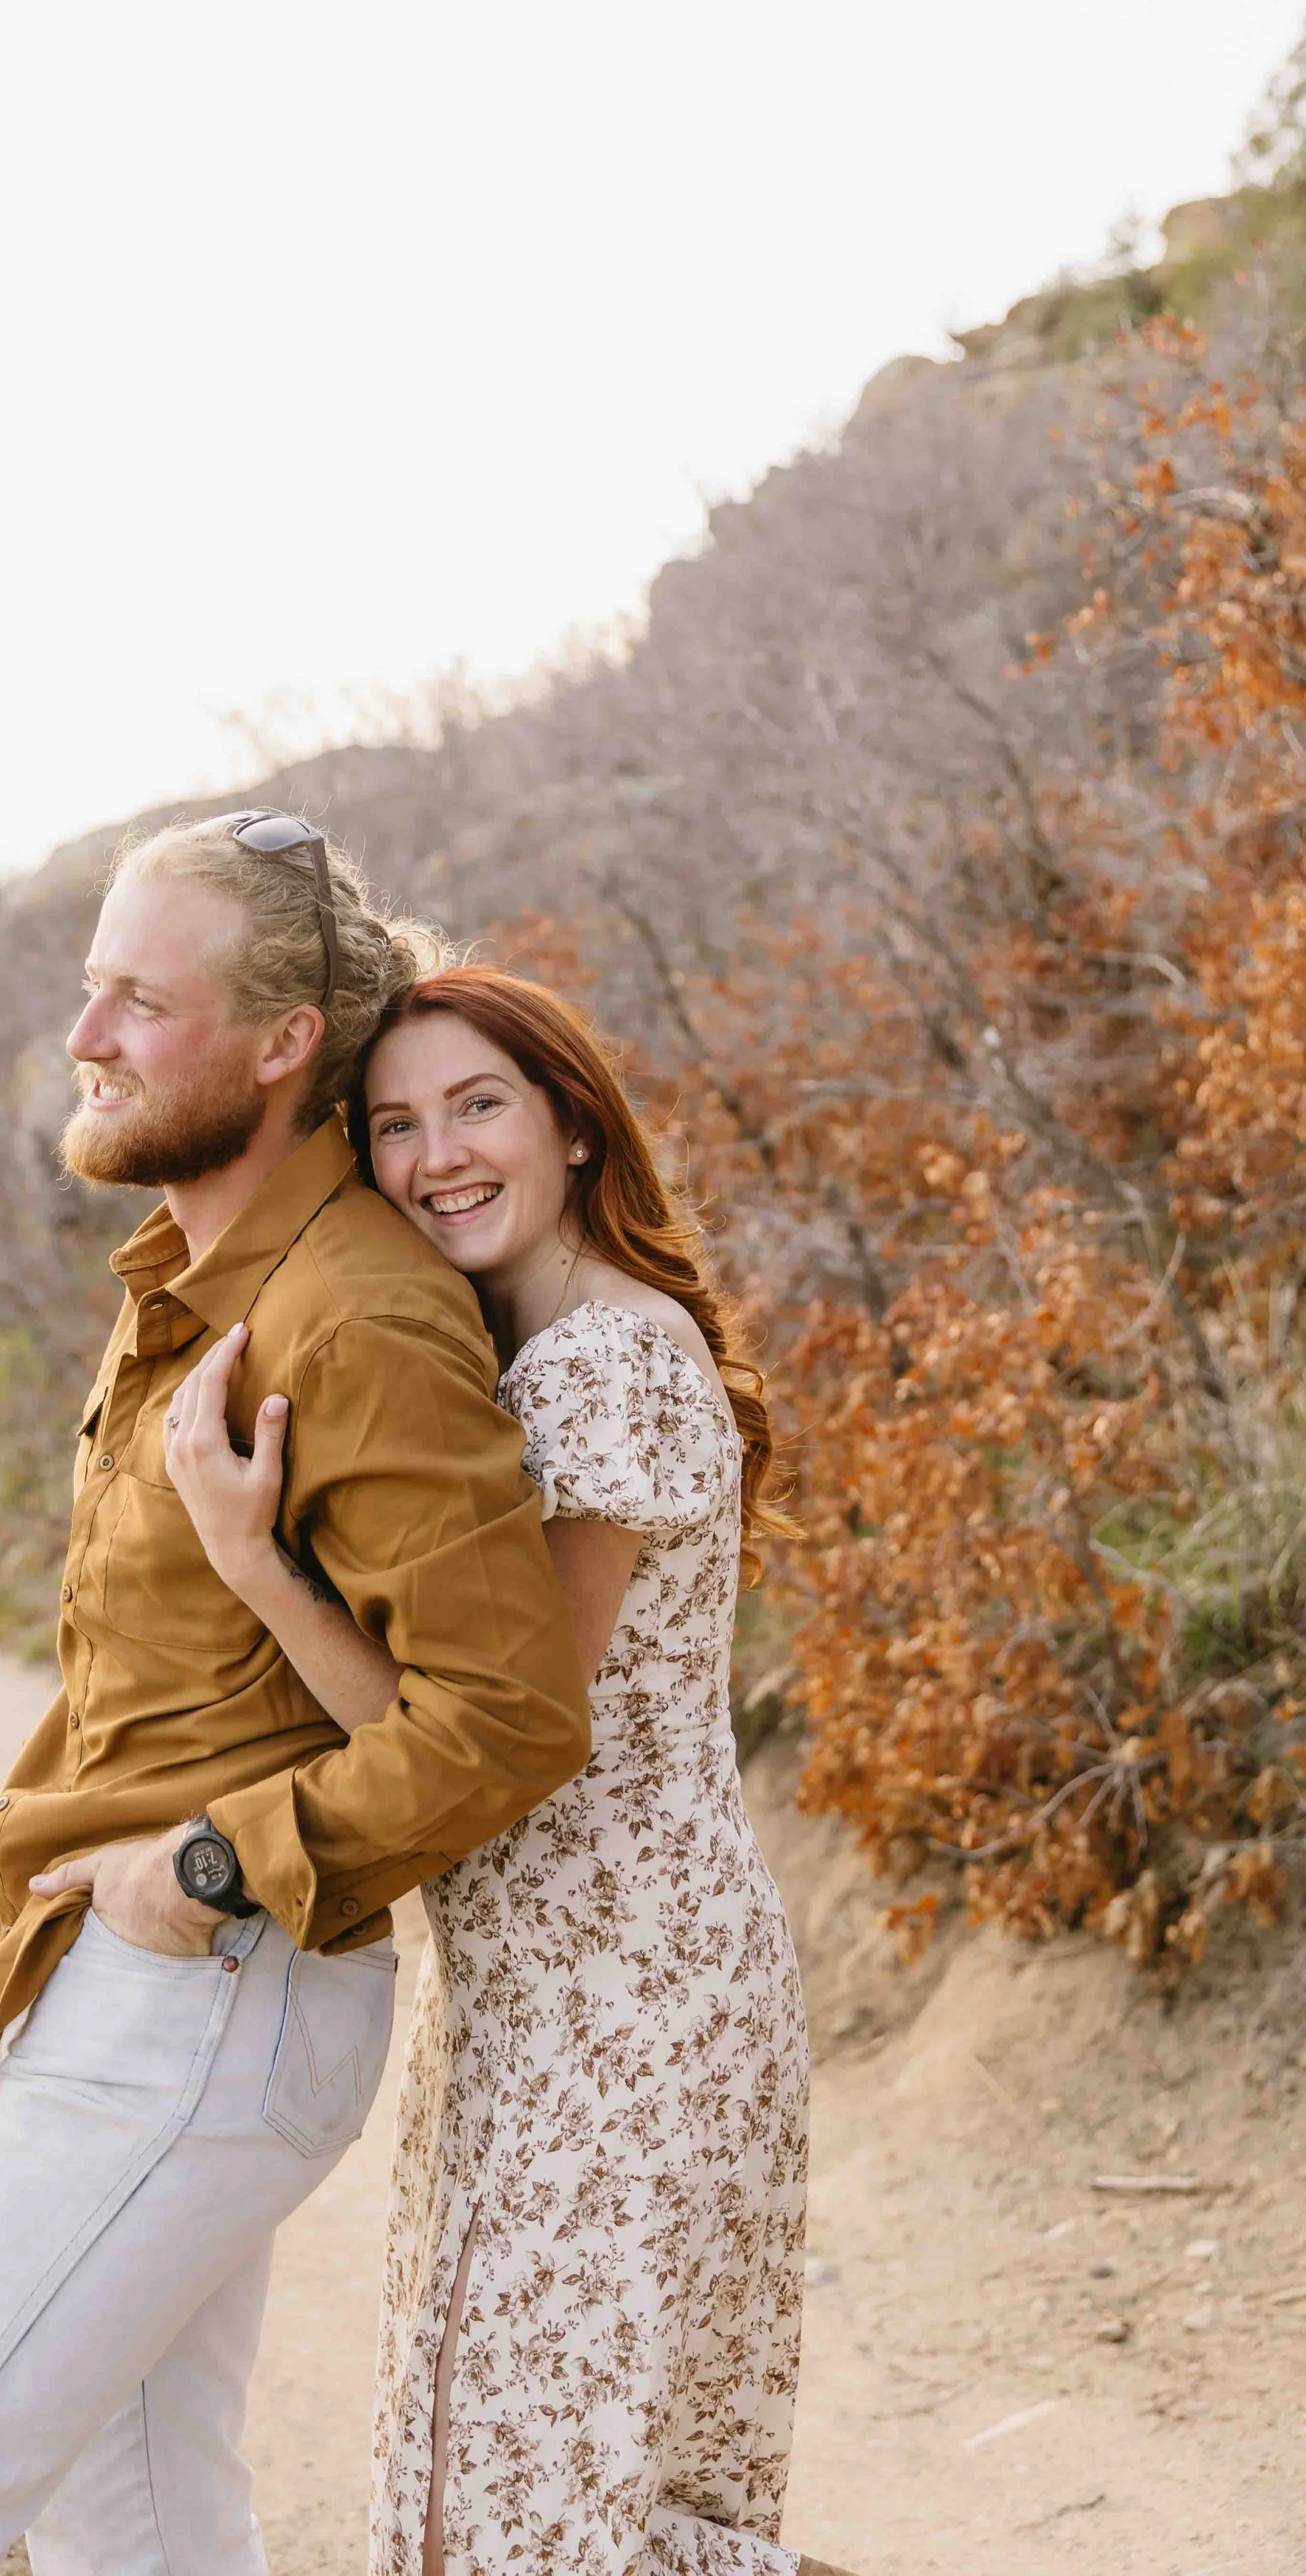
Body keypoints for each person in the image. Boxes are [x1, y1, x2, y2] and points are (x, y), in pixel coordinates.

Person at [0, 823, 594, 2576]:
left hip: (207, 1991)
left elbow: (505, 1714)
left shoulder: (354, 1314)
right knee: (132, 2520)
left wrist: (202, 1864)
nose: (89, 1036)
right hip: (143, 1995)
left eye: (141, 998)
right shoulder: (194, 1287)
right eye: (89, 989)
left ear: (284, 1041)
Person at [165, 964, 849, 2576]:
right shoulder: (546, 1361)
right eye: (394, 1123)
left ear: (573, 1126)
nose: (435, 1153)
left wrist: (251, 1560)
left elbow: (488, 1737)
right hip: (574, 2000)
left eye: (477, 1104)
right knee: (585, 2508)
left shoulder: (603, 1363)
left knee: (528, 2520)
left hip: (618, 2012)